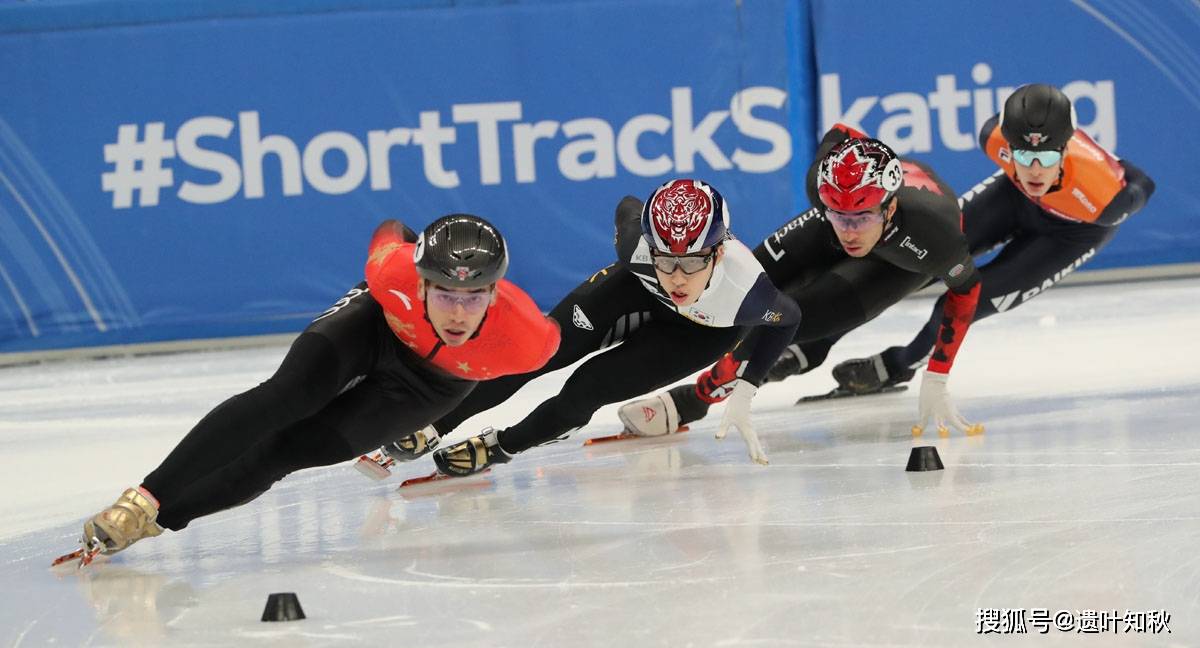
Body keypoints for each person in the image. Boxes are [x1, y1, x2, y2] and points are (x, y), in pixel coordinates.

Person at [71, 214, 559, 563]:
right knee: (285, 398)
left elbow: (533, 365)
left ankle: (157, 522)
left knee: (286, 452)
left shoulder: (526, 341)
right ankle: (142, 499)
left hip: (429, 386)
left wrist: (443, 422)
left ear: (494, 292)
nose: (457, 313)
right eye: (445, 294)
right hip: (377, 327)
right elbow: (389, 230)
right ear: (421, 284)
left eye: (473, 297)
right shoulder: (391, 274)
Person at [367, 178, 801, 475]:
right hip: (633, 290)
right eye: (665, 260)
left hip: (701, 332)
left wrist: (748, 387)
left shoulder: (748, 291)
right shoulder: (637, 248)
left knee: (588, 387)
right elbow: (628, 206)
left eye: (691, 263)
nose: (678, 278)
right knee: (537, 352)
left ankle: (503, 446)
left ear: (719, 253)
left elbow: (790, 318)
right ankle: (437, 424)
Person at [619, 125, 983, 437]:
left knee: (788, 319)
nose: (849, 233)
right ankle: (801, 350)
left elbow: (968, 291)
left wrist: (937, 373)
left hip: (899, 261)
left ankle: (693, 401)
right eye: (840, 217)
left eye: (860, 219)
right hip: (838, 215)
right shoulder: (823, 188)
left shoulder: (935, 235)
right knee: (737, 283)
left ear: (889, 208)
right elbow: (841, 133)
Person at [825, 84, 1154, 399]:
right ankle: (821, 331)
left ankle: (896, 366)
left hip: (1072, 233)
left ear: (1065, 149)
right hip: (1013, 197)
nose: (1036, 170)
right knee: (913, 264)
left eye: (1047, 158)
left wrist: (1117, 169)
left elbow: (1143, 183)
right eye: (1023, 157)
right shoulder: (992, 135)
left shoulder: (1106, 200)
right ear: (1008, 148)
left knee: (955, 306)